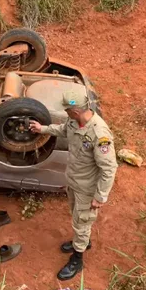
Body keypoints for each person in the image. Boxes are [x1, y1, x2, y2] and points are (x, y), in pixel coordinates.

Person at [29, 84, 118, 280]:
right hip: (74, 181)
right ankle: (83, 241)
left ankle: (77, 259)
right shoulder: (74, 121)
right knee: (77, 216)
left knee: (81, 222)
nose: (65, 112)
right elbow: (62, 130)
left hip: (87, 188)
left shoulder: (99, 134)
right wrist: (42, 128)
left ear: (75, 110)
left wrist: (100, 196)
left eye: (67, 109)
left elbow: (109, 168)